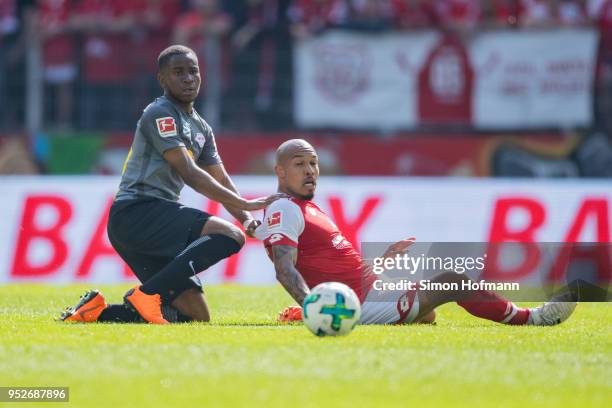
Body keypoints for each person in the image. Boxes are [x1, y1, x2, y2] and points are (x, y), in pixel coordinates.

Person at [60, 45, 281, 324]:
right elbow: (188, 171)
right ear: (162, 79)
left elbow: (221, 177)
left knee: (195, 316)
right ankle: (146, 295)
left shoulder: (201, 127)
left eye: (193, 71)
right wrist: (244, 204)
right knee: (230, 236)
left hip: (150, 219)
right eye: (178, 73)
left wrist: (247, 219)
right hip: (137, 212)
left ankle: (94, 313)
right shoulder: (159, 112)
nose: (188, 78)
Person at [255, 139, 577, 326]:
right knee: (454, 280)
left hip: (370, 290)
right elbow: (285, 269)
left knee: (428, 315)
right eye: (300, 164)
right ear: (280, 171)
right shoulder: (286, 208)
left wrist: (380, 262)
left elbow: (332, 267)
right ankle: (532, 318)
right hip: (363, 302)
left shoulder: (305, 208)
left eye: (314, 163)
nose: (310, 171)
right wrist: (316, 310)